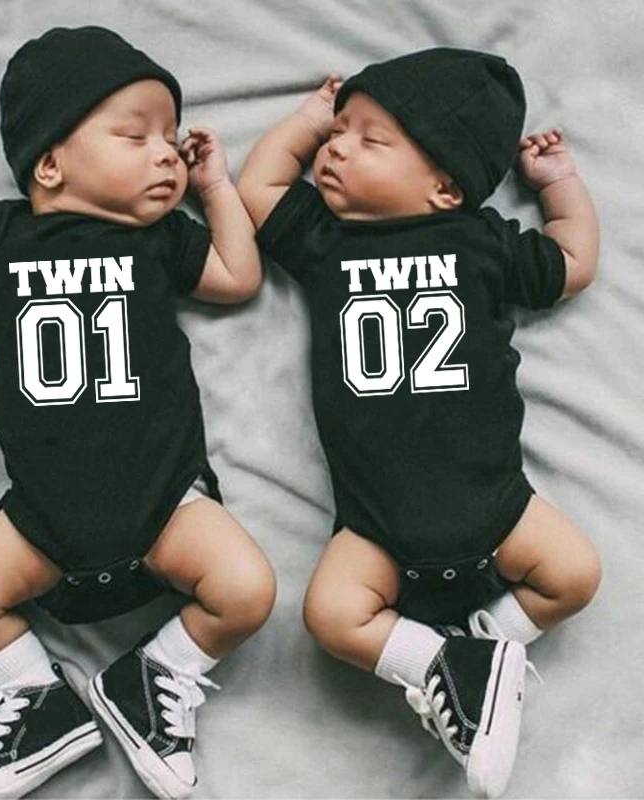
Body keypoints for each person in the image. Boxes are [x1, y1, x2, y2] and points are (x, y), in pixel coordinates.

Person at [0, 26, 275, 800]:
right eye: (136, 137)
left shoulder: (157, 238)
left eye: (171, 139)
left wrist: (215, 189)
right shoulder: (1, 239)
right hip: (43, 516)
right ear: (49, 163)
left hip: (165, 503)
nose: (167, 154)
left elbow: (238, 277)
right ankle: (38, 699)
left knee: (247, 590)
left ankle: (153, 676)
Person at [237, 47, 600, 798]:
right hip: (376, 523)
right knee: (331, 616)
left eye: (370, 140)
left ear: (445, 188)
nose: (337, 148)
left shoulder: (483, 241)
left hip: (495, 501)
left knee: (574, 574)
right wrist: (307, 120)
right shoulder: (327, 239)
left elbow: (572, 259)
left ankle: (480, 650)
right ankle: (444, 665)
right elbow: (260, 186)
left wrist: (557, 183)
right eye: (338, 132)